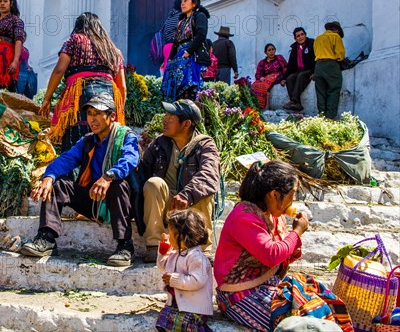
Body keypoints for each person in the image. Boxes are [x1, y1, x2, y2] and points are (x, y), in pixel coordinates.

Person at [214, 160, 353, 332]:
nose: (293, 200)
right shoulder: (243, 217)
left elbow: (283, 254)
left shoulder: (273, 214)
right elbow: (272, 255)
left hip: (267, 284)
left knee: (324, 303)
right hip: (239, 296)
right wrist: (297, 232)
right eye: (292, 194)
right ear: (274, 194)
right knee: (300, 323)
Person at [20, 92, 139, 267]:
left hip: (121, 202)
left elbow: (130, 159)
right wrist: (48, 177)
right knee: (58, 185)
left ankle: (125, 246)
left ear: (112, 116)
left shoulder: (127, 136)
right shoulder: (87, 141)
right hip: (94, 198)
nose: (93, 119)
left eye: (98, 113)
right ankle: (47, 239)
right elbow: (65, 160)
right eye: (90, 114)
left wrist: (108, 176)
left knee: (118, 184)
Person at [139, 99, 220, 262]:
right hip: (167, 205)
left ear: (186, 124)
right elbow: (142, 171)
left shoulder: (205, 145)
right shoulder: (159, 144)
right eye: (166, 115)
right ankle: (155, 245)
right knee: (153, 184)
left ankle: (203, 248)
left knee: (205, 191)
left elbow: (209, 174)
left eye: (171, 117)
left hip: (191, 206)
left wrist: (188, 194)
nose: (165, 120)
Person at [40, 12, 126, 151]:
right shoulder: (113, 49)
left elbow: (59, 70)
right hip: (109, 95)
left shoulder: (74, 40)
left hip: (81, 92)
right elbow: (122, 86)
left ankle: (75, 172)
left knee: (76, 139)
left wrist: (47, 99)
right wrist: (118, 109)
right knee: (104, 142)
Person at [155, 209, 214, 332]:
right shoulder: (177, 254)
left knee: (181, 322)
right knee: (164, 319)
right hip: (179, 305)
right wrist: (163, 251)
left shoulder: (197, 257)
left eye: (170, 233)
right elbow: (162, 266)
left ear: (181, 236)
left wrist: (174, 279)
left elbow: (197, 281)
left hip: (195, 307)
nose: (167, 235)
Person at [162, 0, 211, 101]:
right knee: (176, 90)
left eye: (185, 1)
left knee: (190, 88)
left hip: (191, 56)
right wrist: (170, 59)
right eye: (181, 2)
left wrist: (189, 51)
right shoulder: (182, 21)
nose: (182, 4)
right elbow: (176, 43)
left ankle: (189, 113)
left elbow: (201, 34)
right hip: (179, 57)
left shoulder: (200, 16)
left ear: (194, 3)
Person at [314, 21, 346, 119]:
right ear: (337, 30)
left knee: (320, 92)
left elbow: (315, 53)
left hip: (318, 66)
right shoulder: (336, 37)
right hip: (331, 65)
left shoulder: (318, 39)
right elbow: (340, 54)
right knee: (333, 90)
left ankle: (321, 116)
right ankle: (330, 117)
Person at [282, 27, 316, 112]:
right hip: (299, 70)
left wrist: (316, 72)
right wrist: (284, 78)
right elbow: (290, 65)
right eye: (298, 36)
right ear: (295, 38)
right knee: (289, 78)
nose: (300, 37)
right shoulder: (294, 48)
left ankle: (294, 101)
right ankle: (297, 104)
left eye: (302, 34)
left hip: (309, 70)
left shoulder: (312, 44)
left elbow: (317, 59)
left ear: (305, 35)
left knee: (301, 75)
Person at [251, 43, 288, 109]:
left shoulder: (279, 58)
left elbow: (286, 67)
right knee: (255, 85)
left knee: (266, 85)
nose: (271, 52)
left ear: (275, 50)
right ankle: (257, 105)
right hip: (267, 78)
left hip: (278, 75)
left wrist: (285, 79)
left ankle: (266, 106)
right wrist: (260, 77)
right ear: (265, 52)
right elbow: (257, 74)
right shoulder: (262, 62)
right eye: (269, 50)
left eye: (273, 49)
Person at [160, 0, 182, 76]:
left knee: (168, 71)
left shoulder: (170, 17)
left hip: (166, 46)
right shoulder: (180, 16)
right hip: (175, 46)